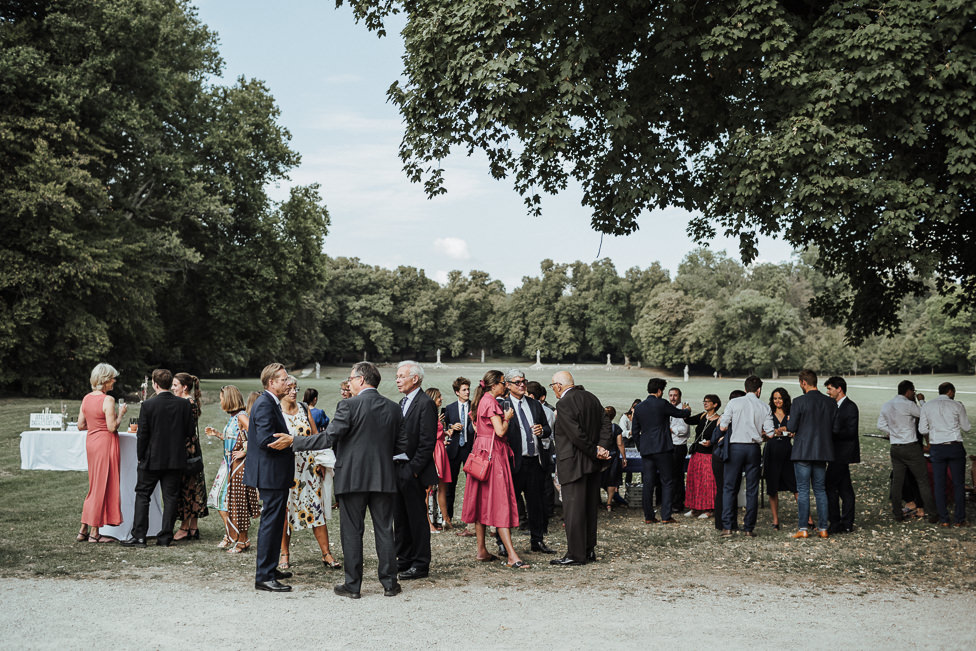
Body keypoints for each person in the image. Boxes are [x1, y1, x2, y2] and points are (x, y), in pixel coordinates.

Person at [271, 361, 408, 598]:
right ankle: (389, 584)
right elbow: (402, 445)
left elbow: (328, 438)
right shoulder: (393, 408)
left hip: (352, 478)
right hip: (384, 478)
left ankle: (353, 586)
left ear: (362, 380)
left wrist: (294, 441)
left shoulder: (348, 405)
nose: (349, 383)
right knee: (385, 530)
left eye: (351, 378)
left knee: (352, 532)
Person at [460, 370, 530, 569]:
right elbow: (499, 431)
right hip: (493, 458)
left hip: (481, 456)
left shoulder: (481, 401)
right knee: (500, 503)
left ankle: (482, 550)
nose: (505, 386)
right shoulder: (491, 402)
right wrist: (507, 417)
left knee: (482, 503)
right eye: (502, 383)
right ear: (493, 386)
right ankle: (511, 556)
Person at [121, 369, 193, 548]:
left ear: (155, 384)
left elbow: (142, 435)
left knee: (143, 495)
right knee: (170, 498)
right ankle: (165, 537)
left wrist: (140, 456)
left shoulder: (148, 405)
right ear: (169, 384)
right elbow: (190, 432)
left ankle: (139, 536)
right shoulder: (183, 405)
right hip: (175, 458)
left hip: (152, 459)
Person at [548, 371, 613, 565]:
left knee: (574, 511)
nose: (553, 390)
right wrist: (601, 447)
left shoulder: (564, 403)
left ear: (559, 386)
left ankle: (576, 555)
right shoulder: (591, 398)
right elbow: (606, 424)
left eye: (553, 386)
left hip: (574, 463)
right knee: (589, 509)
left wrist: (595, 450)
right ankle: (588, 550)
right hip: (592, 465)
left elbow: (575, 435)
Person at [243, 362, 295, 593]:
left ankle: (271, 568)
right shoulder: (265, 404)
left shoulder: (270, 402)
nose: (288, 382)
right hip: (270, 473)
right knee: (270, 524)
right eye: (283, 379)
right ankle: (263, 575)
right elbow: (265, 439)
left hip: (275, 473)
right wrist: (290, 442)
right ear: (271, 383)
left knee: (275, 524)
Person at [279, 376, 339, 570]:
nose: (294, 392)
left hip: (309, 470)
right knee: (285, 513)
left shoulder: (304, 409)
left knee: (316, 510)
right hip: (287, 470)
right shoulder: (277, 412)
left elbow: (316, 437)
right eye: (289, 389)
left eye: (296, 388)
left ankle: (326, 553)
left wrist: (321, 461)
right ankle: (284, 554)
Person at [498, 369, 554, 554]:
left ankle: (537, 541)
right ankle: (503, 544)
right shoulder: (502, 405)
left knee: (536, 504)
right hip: (513, 463)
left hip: (535, 462)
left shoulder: (534, 404)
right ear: (507, 385)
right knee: (507, 504)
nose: (522, 385)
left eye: (524, 381)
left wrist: (542, 430)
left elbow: (547, 428)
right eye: (517, 382)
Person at [393, 361, 437, 580]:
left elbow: (427, 442)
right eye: (397, 376)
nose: (397, 379)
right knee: (400, 518)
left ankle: (420, 564)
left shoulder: (425, 403)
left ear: (415, 379)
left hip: (413, 472)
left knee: (417, 519)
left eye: (401, 376)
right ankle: (404, 559)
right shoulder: (402, 402)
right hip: (398, 469)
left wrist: (413, 470)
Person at [76, 363, 126, 543]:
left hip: (91, 443)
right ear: (105, 380)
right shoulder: (108, 400)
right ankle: (94, 532)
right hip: (105, 443)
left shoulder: (86, 398)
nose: (114, 381)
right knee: (101, 486)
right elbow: (112, 427)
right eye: (113, 378)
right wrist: (121, 414)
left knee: (95, 485)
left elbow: (81, 425)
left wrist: (95, 425)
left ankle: (83, 529)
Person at [717, 377, 772, 537]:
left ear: (745, 388)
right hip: (753, 449)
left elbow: (723, 426)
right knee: (752, 489)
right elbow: (769, 433)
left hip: (736, 448)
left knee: (729, 487)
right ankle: (748, 528)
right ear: (759, 390)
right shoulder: (764, 406)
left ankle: (727, 527)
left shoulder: (734, 403)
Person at [631, 378, 690, 524]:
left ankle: (649, 517)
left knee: (648, 482)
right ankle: (666, 516)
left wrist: (641, 447)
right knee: (667, 481)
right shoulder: (662, 403)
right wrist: (687, 410)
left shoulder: (638, 407)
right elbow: (680, 414)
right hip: (663, 448)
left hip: (646, 450)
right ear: (659, 391)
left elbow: (635, 430)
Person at [786, 370, 836, 539]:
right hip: (822, 450)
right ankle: (823, 528)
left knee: (803, 490)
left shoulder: (799, 401)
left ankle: (803, 528)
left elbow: (791, 427)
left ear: (803, 383)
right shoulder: (829, 402)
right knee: (820, 490)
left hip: (803, 451)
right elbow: (833, 427)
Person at [878, 380, 937, 523]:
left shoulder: (887, 404)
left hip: (895, 448)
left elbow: (880, 424)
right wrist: (921, 401)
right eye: (914, 392)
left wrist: (892, 432)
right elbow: (926, 415)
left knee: (897, 482)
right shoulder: (909, 405)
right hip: (910, 447)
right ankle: (933, 513)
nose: (914, 394)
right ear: (908, 391)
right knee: (922, 480)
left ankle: (897, 513)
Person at [204, 385, 253, 549]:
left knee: (229, 502)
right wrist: (218, 434)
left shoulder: (241, 417)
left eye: (222, 399)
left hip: (236, 467)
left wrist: (245, 452)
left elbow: (256, 434)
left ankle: (238, 537)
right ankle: (232, 534)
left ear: (229, 399)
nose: (220, 402)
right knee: (219, 500)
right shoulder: (233, 417)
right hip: (226, 465)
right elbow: (234, 439)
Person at [919, 382, 971, 527]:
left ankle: (944, 519)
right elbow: (966, 427)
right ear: (950, 391)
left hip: (937, 447)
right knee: (958, 484)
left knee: (939, 484)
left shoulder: (927, 406)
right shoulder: (957, 405)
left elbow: (923, 429)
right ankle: (959, 519)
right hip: (954, 446)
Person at [171, 372, 208, 541]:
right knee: (193, 486)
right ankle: (193, 527)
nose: (172, 388)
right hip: (193, 448)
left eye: (175, 385)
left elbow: (183, 430)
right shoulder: (190, 402)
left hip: (186, 449)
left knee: (187, 487)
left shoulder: (185, 403)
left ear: (184, 387)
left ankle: (185, 527)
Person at [825, 376, 860, 534]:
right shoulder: (833, 405)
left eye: (830, 388)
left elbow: (851, 432)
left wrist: (831, 432)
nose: (828, 392)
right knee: (845, 488)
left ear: (839, 389)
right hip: (835, 453)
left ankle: (836, 522)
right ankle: (846, 522)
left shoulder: (850, 407)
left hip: (843, 453)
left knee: (830, 486)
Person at [443, 377, 475, 532]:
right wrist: (452, 426)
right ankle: (448, 518)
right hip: (454, 450)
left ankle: (473, 520)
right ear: (457, 392)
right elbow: (445, 427)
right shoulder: (449, 408)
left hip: (470, 450)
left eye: (468, 389)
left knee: (473, 485)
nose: (467, 392)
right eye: (464, 390)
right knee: (450, 486)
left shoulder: (474, 407)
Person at [763, 388, 797, 530]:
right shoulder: (768, 414)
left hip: (787, 451)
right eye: (775, 398)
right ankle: (775, 521)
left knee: (795, 485)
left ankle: (808, 519)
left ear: (785, 399)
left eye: (780, 398)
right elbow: (762, 433)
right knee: (772, 487)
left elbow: (796, 430)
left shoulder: (791, 414)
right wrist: (771, 432)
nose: (777, 401)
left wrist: (791, 432)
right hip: (771, 451)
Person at [682, 394, 721, 519]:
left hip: (709, 455)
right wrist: (686, 411)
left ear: (715, 404)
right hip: (697, 454)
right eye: (704, 401)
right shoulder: (702, 416)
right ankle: (695, 508)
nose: (705, 403)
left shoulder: (719, 419)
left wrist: (711, 442)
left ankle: (709, 509)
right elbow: (688, 420)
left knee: (708, 482)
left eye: (708, 402)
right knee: (694, 481)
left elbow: (720, 437)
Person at [713, 389, 745, 532]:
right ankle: (722, 523)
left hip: (732, 457)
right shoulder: (725, 418)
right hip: (721, 457)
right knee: (724, 490)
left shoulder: (740, 418)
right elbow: (714, 438)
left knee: (731, 490)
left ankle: (731, 522)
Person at [426, 387, 453, 530]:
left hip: (441, 451)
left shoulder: (436, 415)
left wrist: (446, 432)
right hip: (433, 452)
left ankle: (446, 519)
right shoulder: (427, 416)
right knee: (429, 489)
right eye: (438, 397)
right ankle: (428, 523)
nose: (441, 399)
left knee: (443, 487)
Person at [667, 387, 691, 514]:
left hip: (679, 446)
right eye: (670, 395)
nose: (672, 398)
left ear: (680, 396)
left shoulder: (684, 409)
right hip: (669, 446)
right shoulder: (669, 408)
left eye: (675, 395)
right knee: (670, 476)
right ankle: (670, 501)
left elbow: (684, 430)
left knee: (677, 476)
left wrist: (671, 429)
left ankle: (678, 503)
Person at [600, 406, 627, 511]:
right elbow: (620, 444)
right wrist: (624, 457)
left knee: (598, 479)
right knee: (612, 480)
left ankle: (596, 501)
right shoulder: (615, 428)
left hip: (601, 456)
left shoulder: (598, 427)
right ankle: (609, 503)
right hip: (613, 456)